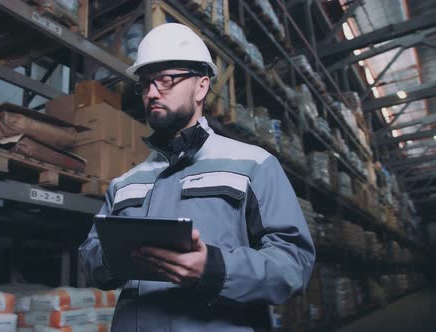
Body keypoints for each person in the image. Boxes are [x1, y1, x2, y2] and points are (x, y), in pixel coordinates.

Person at [79, 23, 315, 332]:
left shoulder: (254, 166)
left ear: (201, 87)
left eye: (166, 80)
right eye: (146, 83)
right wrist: (114, 258)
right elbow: (88, 259)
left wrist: (214, 269)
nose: (151, 92)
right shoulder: (125, 184)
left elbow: (293, 263)